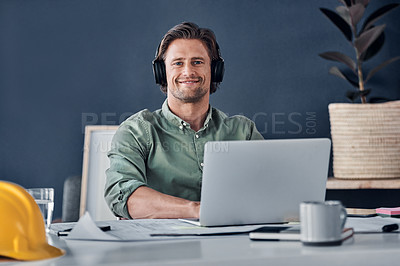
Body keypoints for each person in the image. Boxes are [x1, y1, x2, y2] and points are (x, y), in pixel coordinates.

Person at [104, 22, 263, 220]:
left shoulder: (243, 131)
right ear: (162, 72)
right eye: (178, 63)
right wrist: (197, 210)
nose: (188, 72)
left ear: (215, 70)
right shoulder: (136, 131)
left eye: (197, 62)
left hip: (231, 243)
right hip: (158, 247)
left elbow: (269, 189)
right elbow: (123, 197)